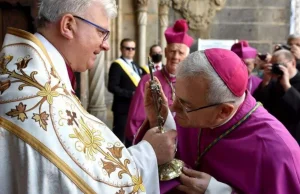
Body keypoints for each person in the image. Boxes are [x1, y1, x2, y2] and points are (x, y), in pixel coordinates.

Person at [0, 0, 177, 193]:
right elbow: (84, 184)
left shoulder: (31, 78)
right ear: (68, 26)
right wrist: (149, 155)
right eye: (101, 33)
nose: (106, 46)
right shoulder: (38, 98)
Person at [136, 48, 300, 193]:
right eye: (175, 96)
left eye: (185, 104)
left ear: (224, 111)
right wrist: (159, 123)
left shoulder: (279, 153)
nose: (173, 108)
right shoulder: (198, 109)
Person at [126, 20, 200, 170]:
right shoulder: (149, 80)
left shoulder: (194, 82)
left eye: (181, 53)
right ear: (165, 52)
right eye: (172, 51)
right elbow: (135, 119)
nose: (176, 56)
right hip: (155, 153)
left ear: (188, 55)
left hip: (187, 152)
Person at [253, 49, 300, 144]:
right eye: (274, 65)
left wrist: (287, 86)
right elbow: (257, 105)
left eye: (281, 65)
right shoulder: (272, 82)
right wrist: (265, 82)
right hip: (274, 136)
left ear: (293, 63)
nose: (278, 69)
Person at [108, 38, 147, 143]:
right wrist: (131, 94)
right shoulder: (116, 65)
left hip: (135, 108)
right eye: (127, 48)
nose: (130, 51)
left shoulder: (137, 66)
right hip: (122, 109)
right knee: (119, 139)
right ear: (121, 49)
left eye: (133, 48)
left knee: (132, 137)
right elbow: (112, 86)